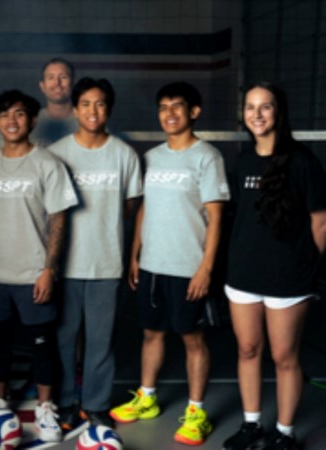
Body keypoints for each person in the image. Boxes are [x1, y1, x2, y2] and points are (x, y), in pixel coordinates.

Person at [109, 82, 229, 446]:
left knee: (192, 339)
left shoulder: (207, 157)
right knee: (151, 333)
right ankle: (147, 398)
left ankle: (196, 412)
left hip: (188, 266)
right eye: (163, 107)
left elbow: (216, 216)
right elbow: (145, 207)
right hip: (152, 265)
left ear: (194, 111)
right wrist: (135, 253)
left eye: (177, 106)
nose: (169, 114)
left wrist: (206, 268)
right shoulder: (153, 157)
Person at [221, 82, 326, 450]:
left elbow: (321, 223)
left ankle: (285, 433)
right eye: (250, 107)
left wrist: (310, 267)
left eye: (265, 106)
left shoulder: (303, 161)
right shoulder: (243, 161)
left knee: (284, 357)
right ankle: (251, 425)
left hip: (288, 277)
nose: (257, 114)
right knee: (248, 350)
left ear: (278, 112)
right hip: (243, 275)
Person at [0, 90, 78, 443]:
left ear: (32, 120)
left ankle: (46, 407)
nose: (11, 120)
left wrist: (49, 269)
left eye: (19, 113)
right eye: (4, 115)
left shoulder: (48, 164)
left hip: (34, 273)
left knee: (42, 345)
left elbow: (59, 219)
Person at [48, 78, 142, 435]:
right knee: (64, 339)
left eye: (100, 104)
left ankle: (96, 405)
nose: (93, 111)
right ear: (75, 109)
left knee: (101, 341)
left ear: (109, 109)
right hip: (65, 265)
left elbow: (131, 205)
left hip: (106, 261)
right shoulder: (57, 153)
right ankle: (65, 402)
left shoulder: (124, 154)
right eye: (85, 104)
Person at [30, 57, 78, 148]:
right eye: (51, 78)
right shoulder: (29, 122)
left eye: (63, 77)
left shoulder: (88, 121)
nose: (57, 83)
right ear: (42, 86)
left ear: (73, 84)